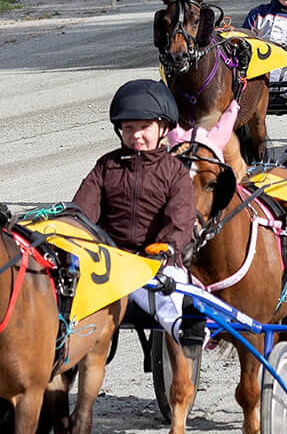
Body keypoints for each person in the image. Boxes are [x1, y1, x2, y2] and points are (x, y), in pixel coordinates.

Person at [72, 80, 206, 356]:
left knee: (169, 289)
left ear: (163, 129)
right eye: (128, 128)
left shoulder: (175, 172)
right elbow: (83, 210)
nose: (135, 136)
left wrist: (166, 248)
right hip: (110, 263)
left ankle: (186, 327)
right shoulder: (106, 166)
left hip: (155, 264)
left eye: (143, 128)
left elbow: (180, 219)